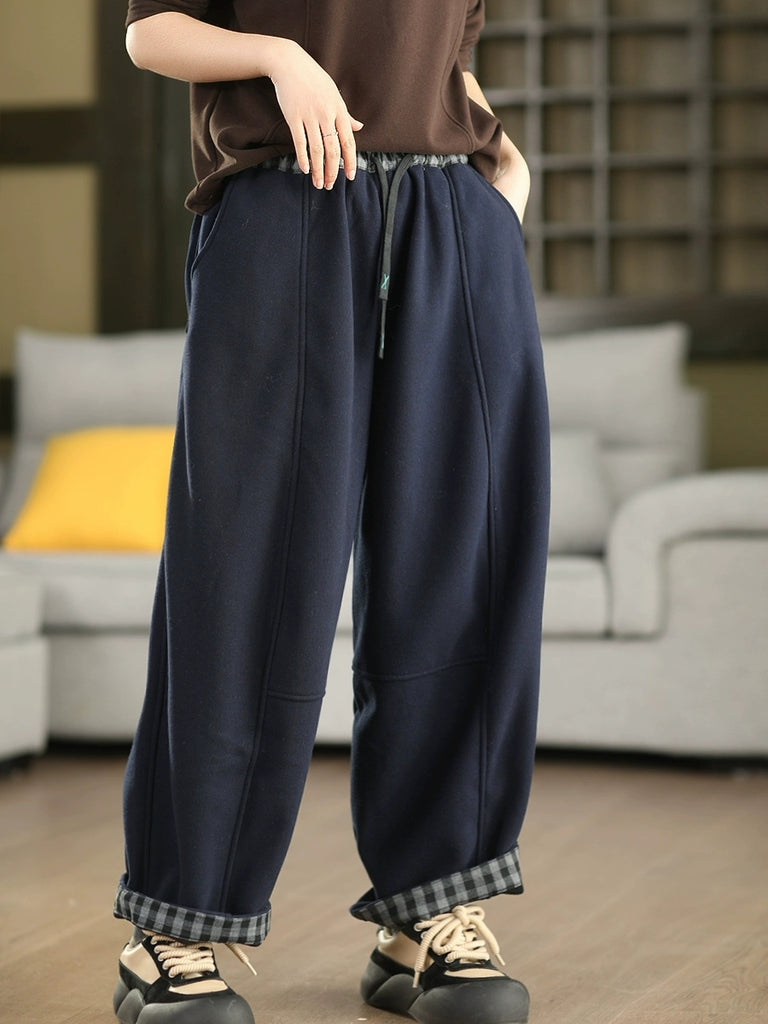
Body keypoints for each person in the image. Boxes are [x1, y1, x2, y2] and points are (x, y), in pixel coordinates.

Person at [112, 3, 551, 1024]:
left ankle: (431, 911)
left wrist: (503, 173)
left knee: (459, 572)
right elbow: (149, 30)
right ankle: (174, 926)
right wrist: (278, 58)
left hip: (454, 218)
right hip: (282, 208)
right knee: (243, 579)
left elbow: (445, 58)